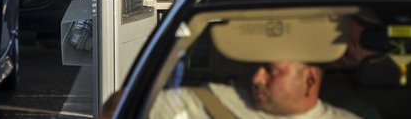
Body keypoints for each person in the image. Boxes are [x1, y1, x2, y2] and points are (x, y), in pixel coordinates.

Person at [151, 61, 362, 119]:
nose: (257, 78)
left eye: (271, 71)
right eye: (257, 68)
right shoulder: (211, 102)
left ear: (310, 78)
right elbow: (126, 104)